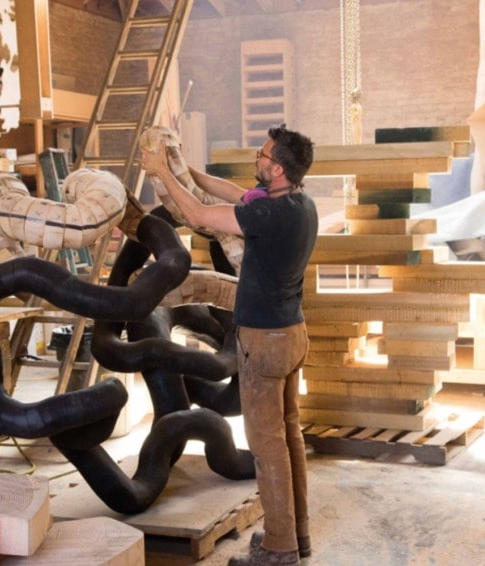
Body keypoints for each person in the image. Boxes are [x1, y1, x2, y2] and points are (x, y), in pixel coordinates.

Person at [141, 124, 318, 566]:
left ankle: (279, 551)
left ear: (276, 169)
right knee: (289, 435)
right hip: (293, 335)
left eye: (262, 155)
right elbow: (233, 193)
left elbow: (200, 217)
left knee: (267, 446)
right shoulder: (298, 203)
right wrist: (188, 172)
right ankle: (297, 536)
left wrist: (160, 170)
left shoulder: (267, 216)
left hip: (264, 340)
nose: (256, 159)